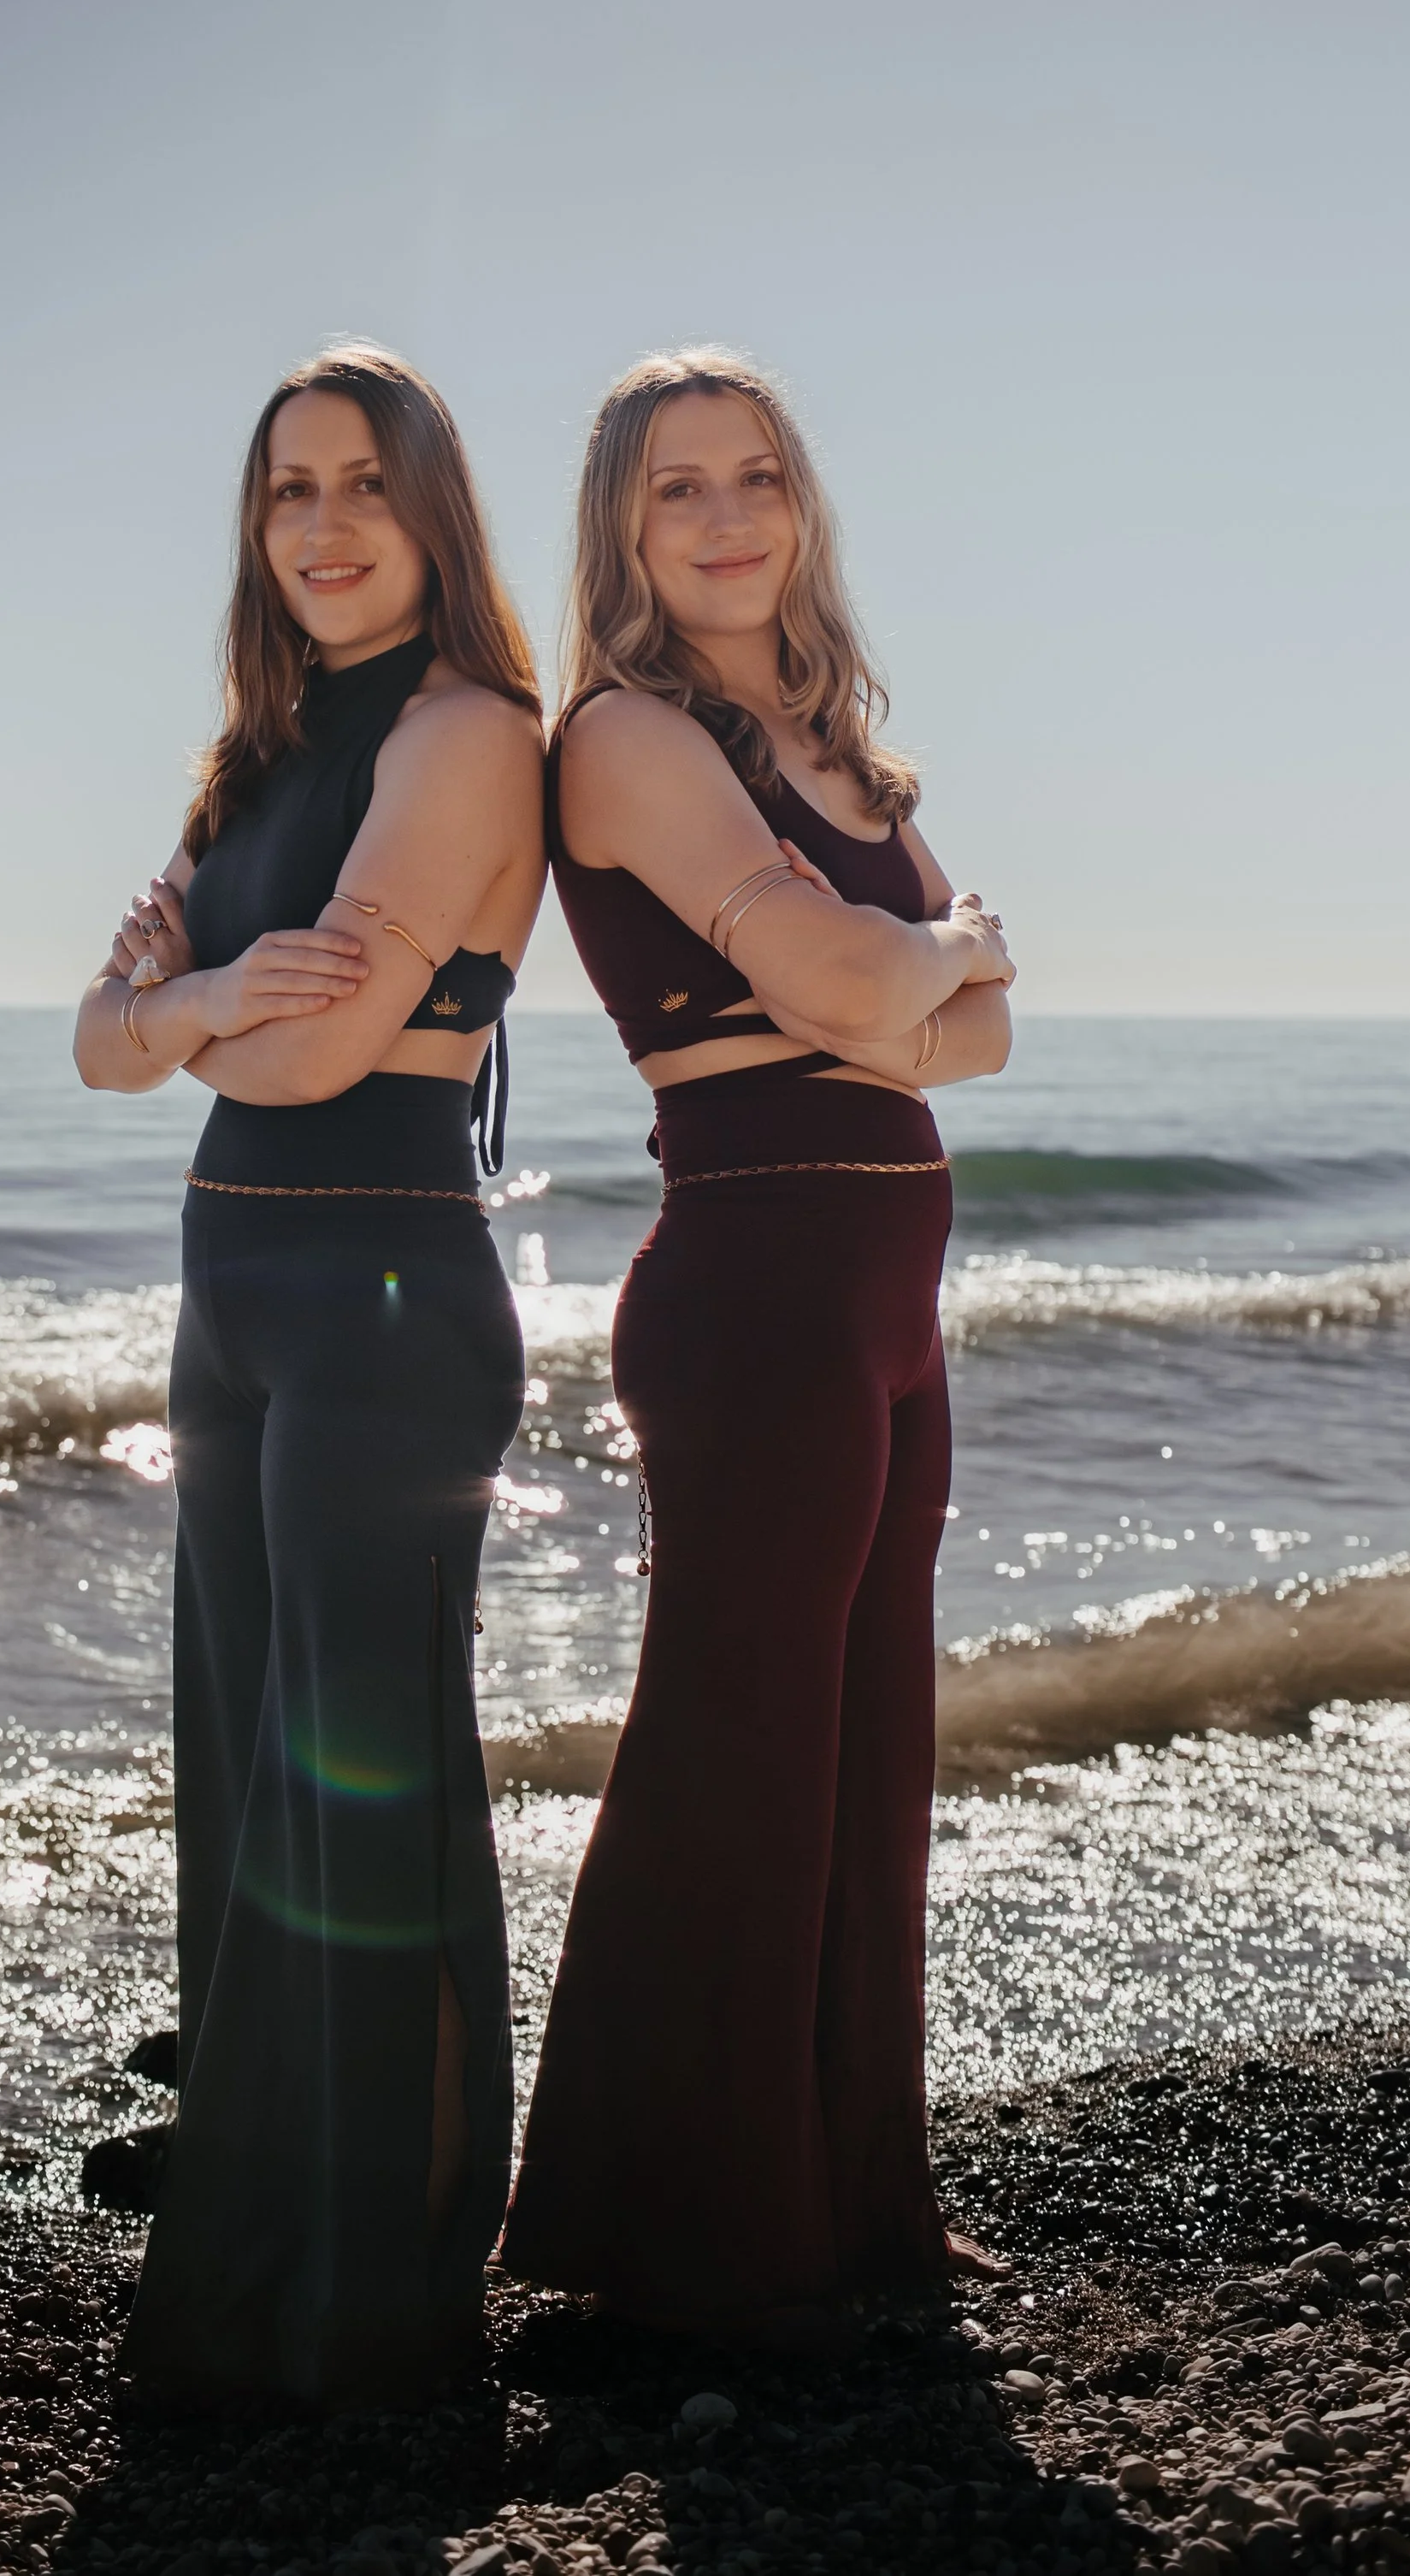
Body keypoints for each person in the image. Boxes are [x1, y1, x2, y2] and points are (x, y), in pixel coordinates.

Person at [499, 346, 1015, 2338]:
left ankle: (858, 2200)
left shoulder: (837, 751)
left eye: (756, 476)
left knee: (871, 1738)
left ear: (799, 504)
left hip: (889, 1286)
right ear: (621, 532)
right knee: (742, 1750)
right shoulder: (626, 735)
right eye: (673, 488)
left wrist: (909, 983)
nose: (723, 517)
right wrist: (931, 957)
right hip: (756, 1283)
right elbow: (863, 977)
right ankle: (686, 2232)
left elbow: (958, 1040)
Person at [74, 343, 545, 2408]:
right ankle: (256, 2241)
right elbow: (100, 1043)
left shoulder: (464, 735)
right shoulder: (246, 765)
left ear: (430, 512)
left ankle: (383, 2288)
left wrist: (176, 1015)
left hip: (378, 1293)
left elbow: (316, 1051)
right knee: (251, 1783)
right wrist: (188, 1006)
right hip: (224, 1295)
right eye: (286, 489)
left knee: (364, 1797)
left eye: (363, 483)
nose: (323, 522)